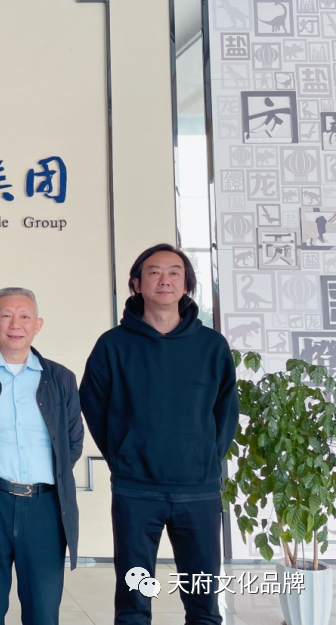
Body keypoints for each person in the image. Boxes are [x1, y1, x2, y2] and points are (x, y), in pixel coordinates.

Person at [79, 244, 239, 625]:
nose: (164, 280)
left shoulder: (212, 346)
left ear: (186, 285)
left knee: (203, 604)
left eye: (174, 272)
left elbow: (226, 411)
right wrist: (123, 453)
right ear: (137, 283)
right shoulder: (113, 345)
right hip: (136, 490)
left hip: (198, 491)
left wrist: (204, 459)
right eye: (154, 272)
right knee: (133, 602)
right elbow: (92, 403)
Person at [0, 287, 83, 625]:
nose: (15, 324)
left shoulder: (61, 378)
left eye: (24, 316)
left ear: (37, 325)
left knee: (43, 612)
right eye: (6, 316)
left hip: (45, 508)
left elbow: (72, 442)